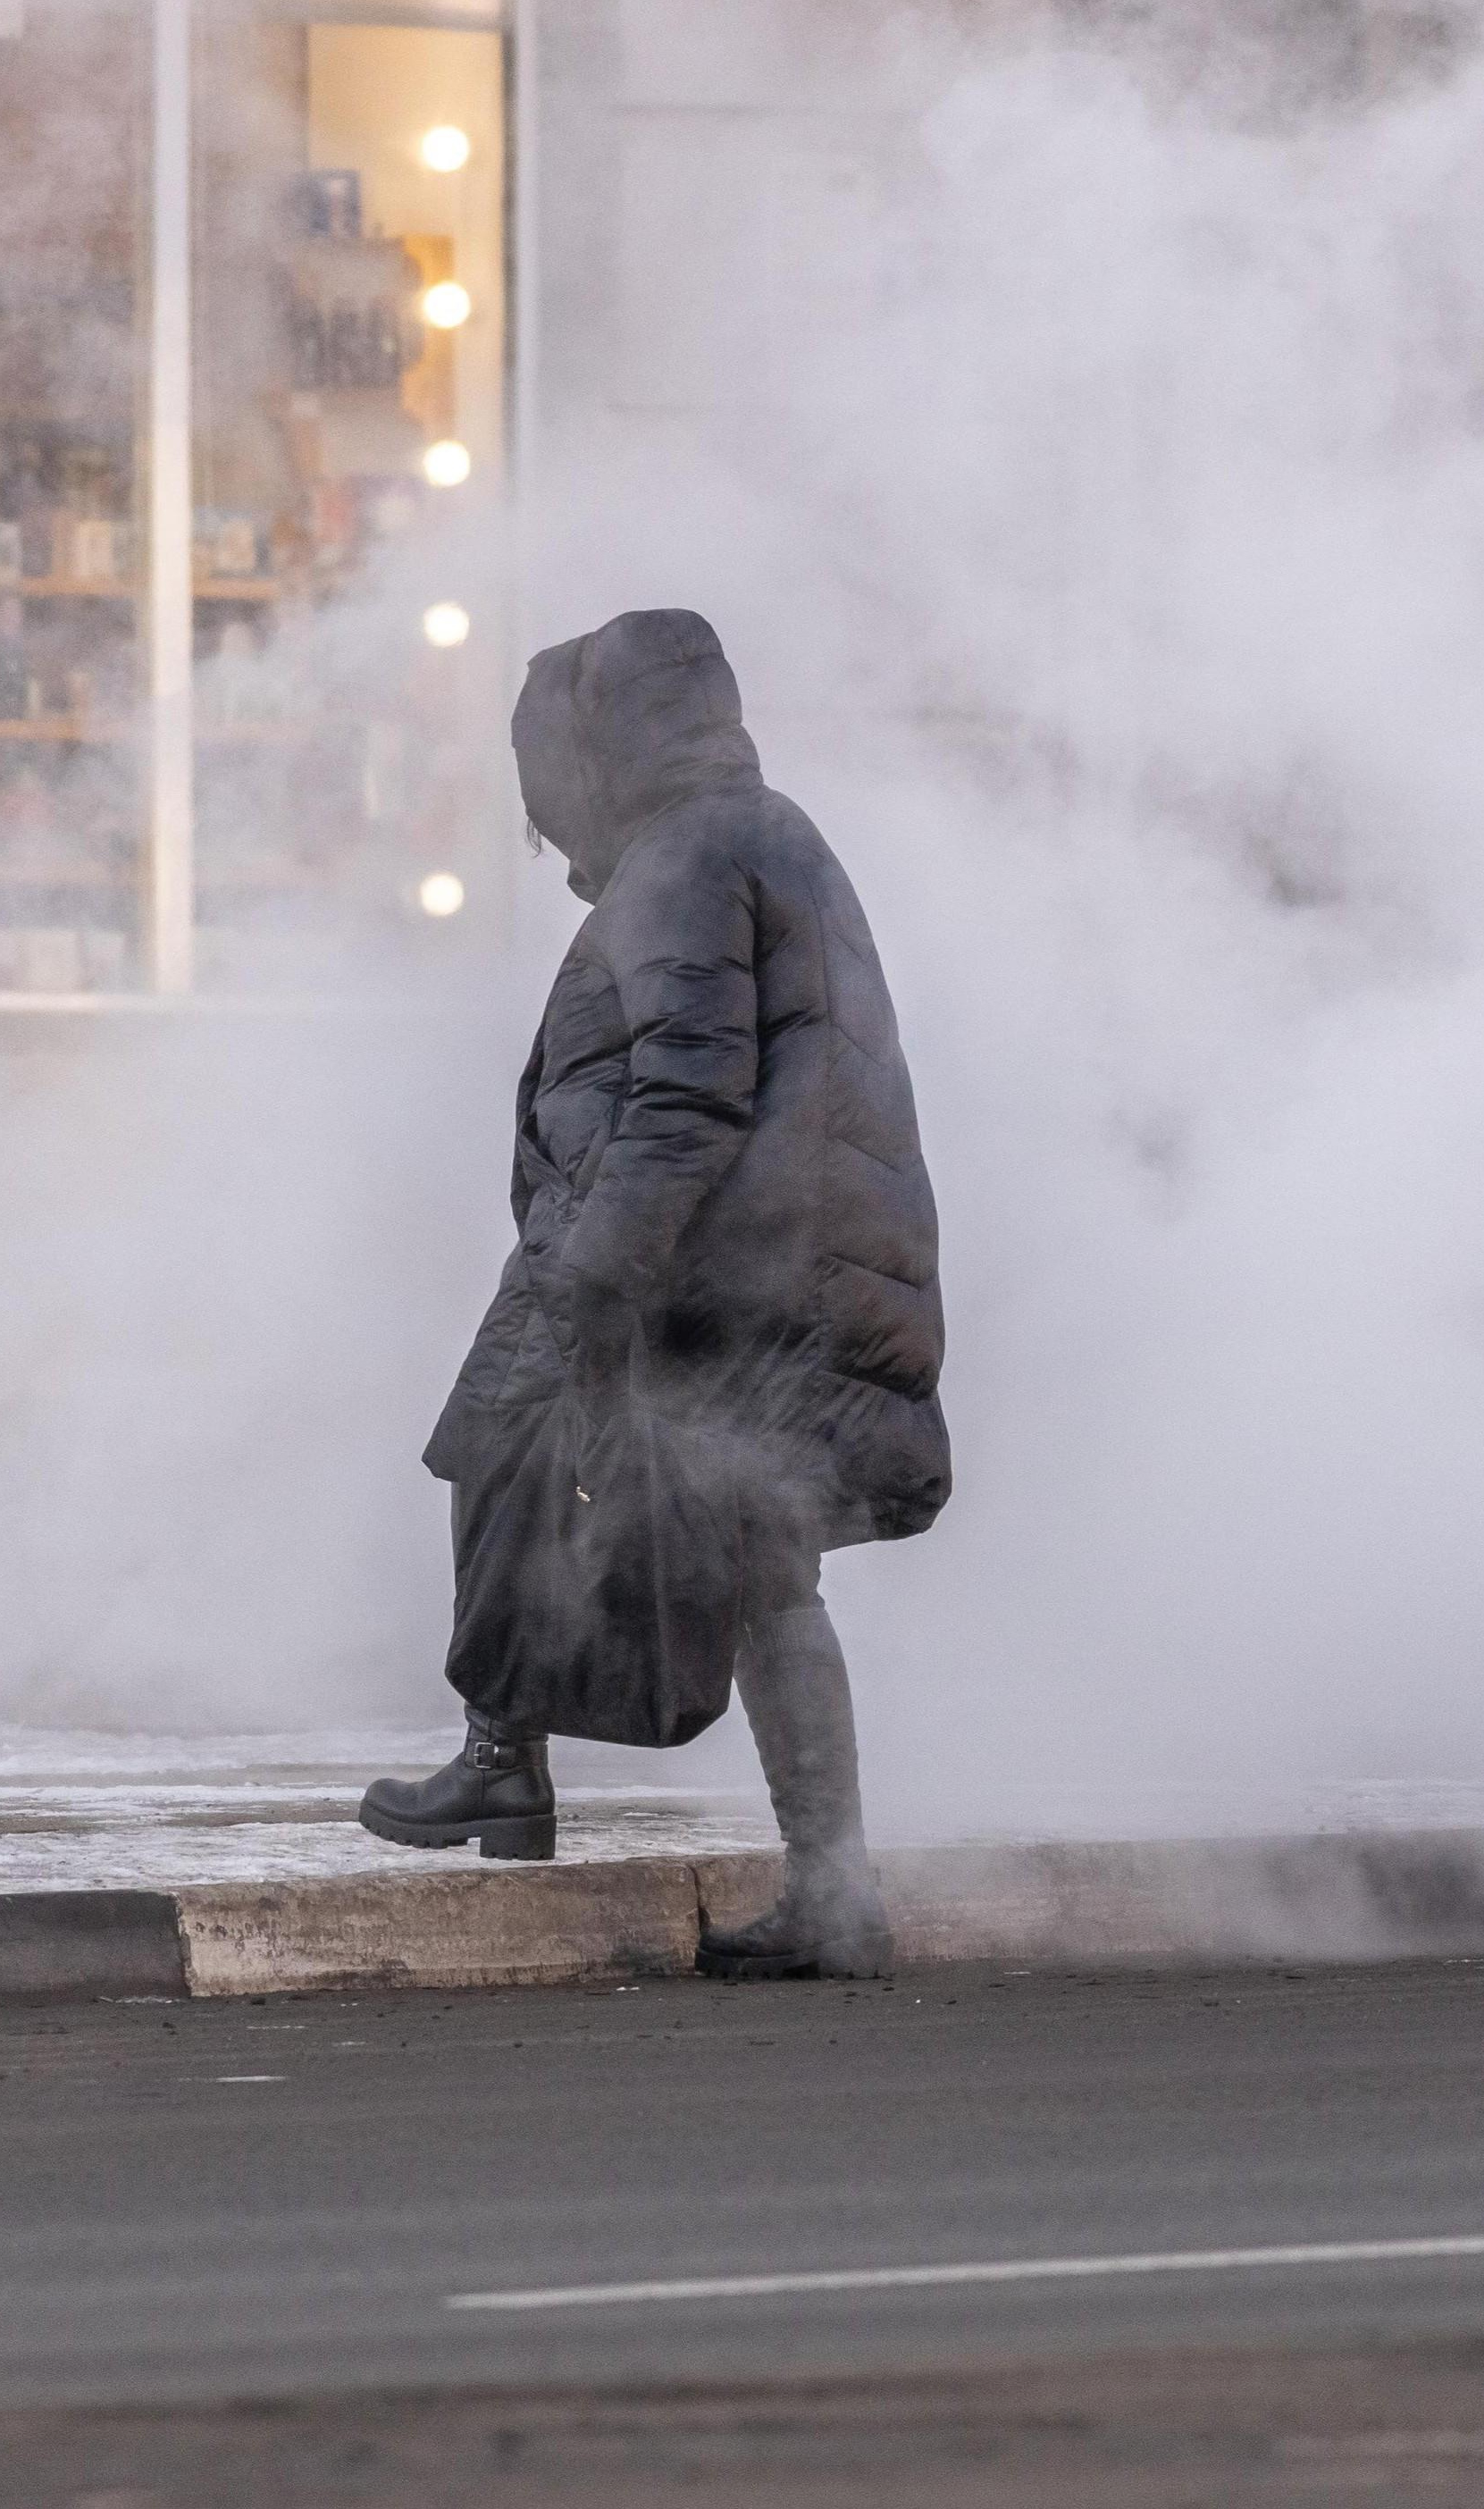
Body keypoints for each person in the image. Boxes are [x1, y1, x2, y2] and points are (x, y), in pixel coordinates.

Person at [361, 609, 951, 1982]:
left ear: (592, 754)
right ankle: (832, 1892)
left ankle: (506, 1765)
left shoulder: (686, 857)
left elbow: (685, 1095)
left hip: (703, 1262)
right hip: (782, 1259)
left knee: (502, 1442)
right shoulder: (759, 833)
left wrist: (594, 1278)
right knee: (760, 1565)